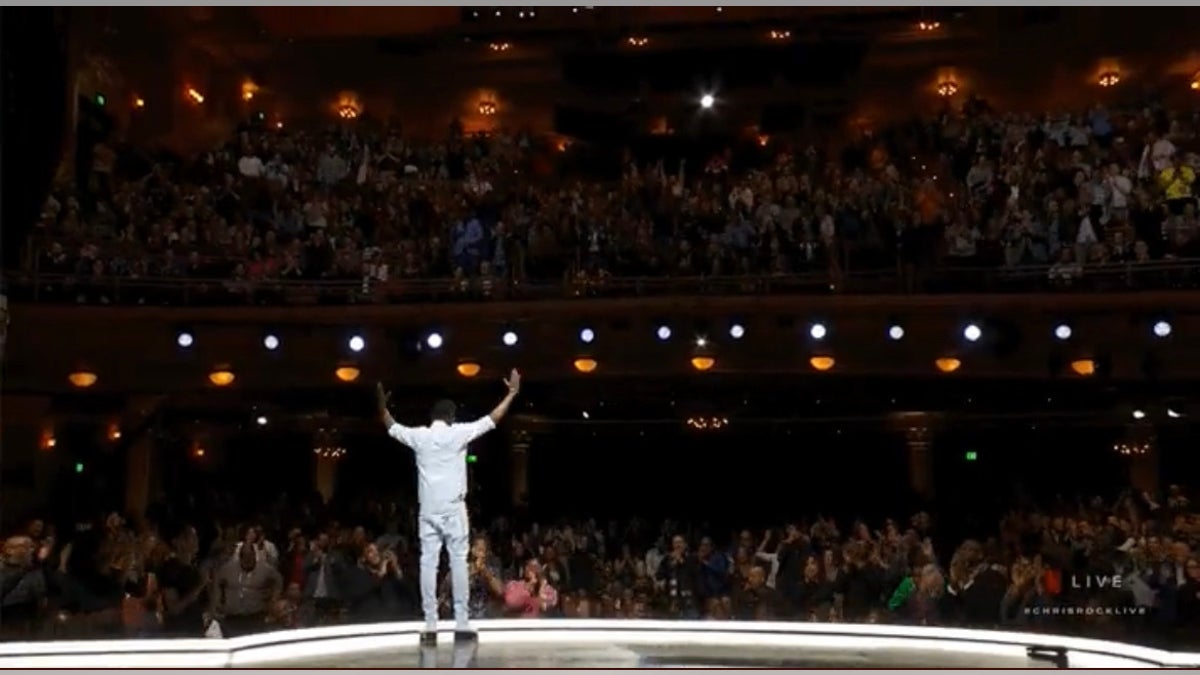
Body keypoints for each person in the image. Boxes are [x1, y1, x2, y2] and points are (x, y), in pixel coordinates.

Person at [376, 368, 521, 644]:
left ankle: (430, 626)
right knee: (458, 562)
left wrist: (382, 406)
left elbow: (391, 425)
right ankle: (462, 624)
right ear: (452, 417)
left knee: (428, 564)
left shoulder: (420, 436)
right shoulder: (458, 433)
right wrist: (511, 393)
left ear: (432, 418)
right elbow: (493, 419)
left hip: (428, 511)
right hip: (454, 510)